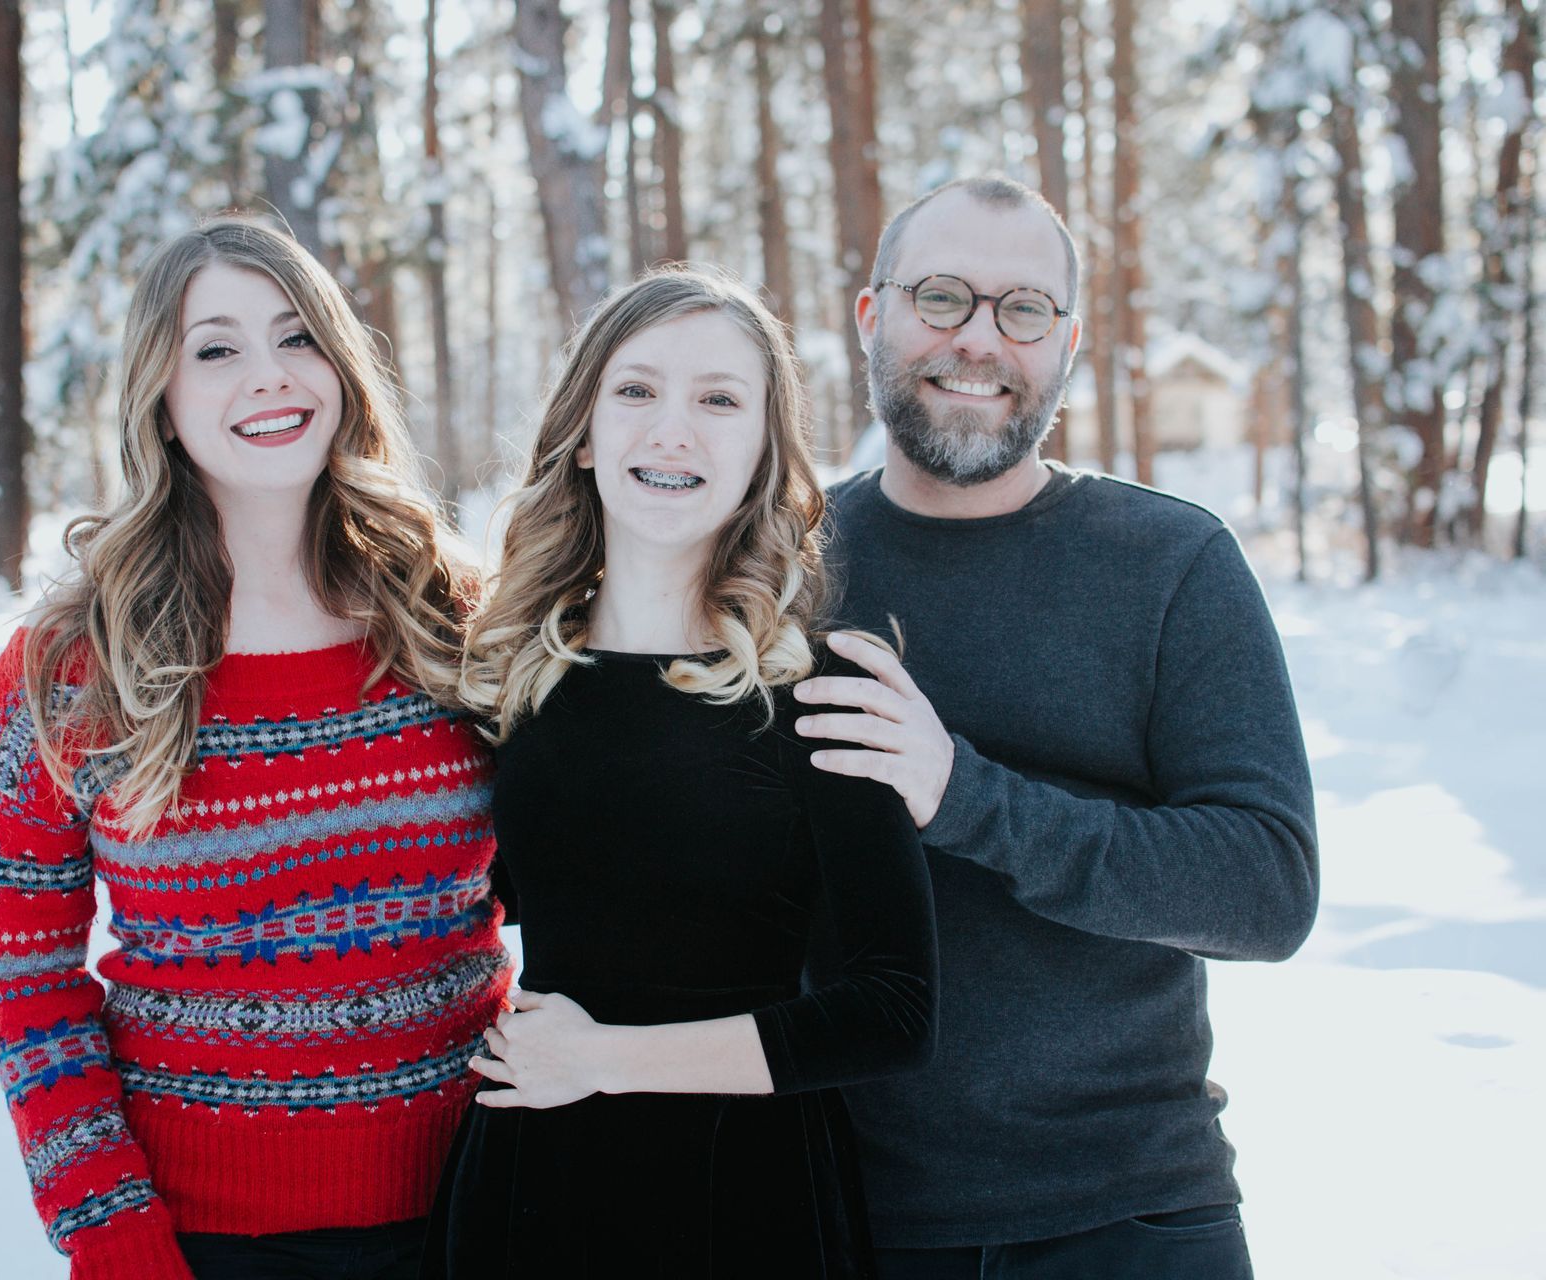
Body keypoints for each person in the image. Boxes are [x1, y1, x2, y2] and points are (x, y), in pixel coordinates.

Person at [792, 175, 1318, 1279]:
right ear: (872, 315)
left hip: (1131, 1213)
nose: (980, 340)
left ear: (1067, 344)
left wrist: (967, 797)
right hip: (847, 1214)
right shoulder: (783, 567)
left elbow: (1266, 887)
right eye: (942, 297)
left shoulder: (1172, 563)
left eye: (1023, 310)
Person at [0, 218, 510, 1280]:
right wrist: (113, 1236)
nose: (270, 374)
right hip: (205, 1241)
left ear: (342, 367)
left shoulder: (451, 618)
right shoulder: (70, 670)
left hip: (479, 1207)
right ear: (159, 399)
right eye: (216, 348)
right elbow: (31, 989)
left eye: (298, 336)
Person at [426, 267, 939, 1279]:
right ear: (583, 435)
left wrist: (607, 1060)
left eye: (718, 400)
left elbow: (894, 1011)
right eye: (637, 390)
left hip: (746, 1192)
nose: (673, 431)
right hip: (535, 1181)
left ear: (764, 453)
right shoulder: (509, 676)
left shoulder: (819, 688)